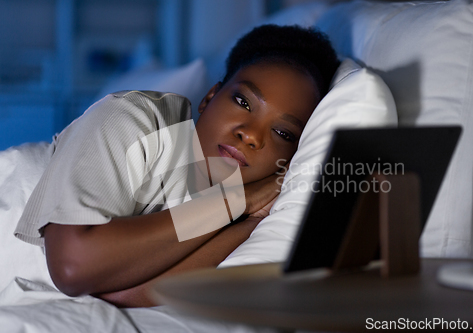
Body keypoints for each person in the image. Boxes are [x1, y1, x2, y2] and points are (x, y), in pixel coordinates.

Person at [14, 24, 339, 307]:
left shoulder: (257, 213)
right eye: (243, 102)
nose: (251, 134)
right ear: (210, 97)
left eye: (283, 132)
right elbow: (73, 266)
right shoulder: (133, 118)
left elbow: (125, 294)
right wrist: (240, 201)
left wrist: (250, 217)